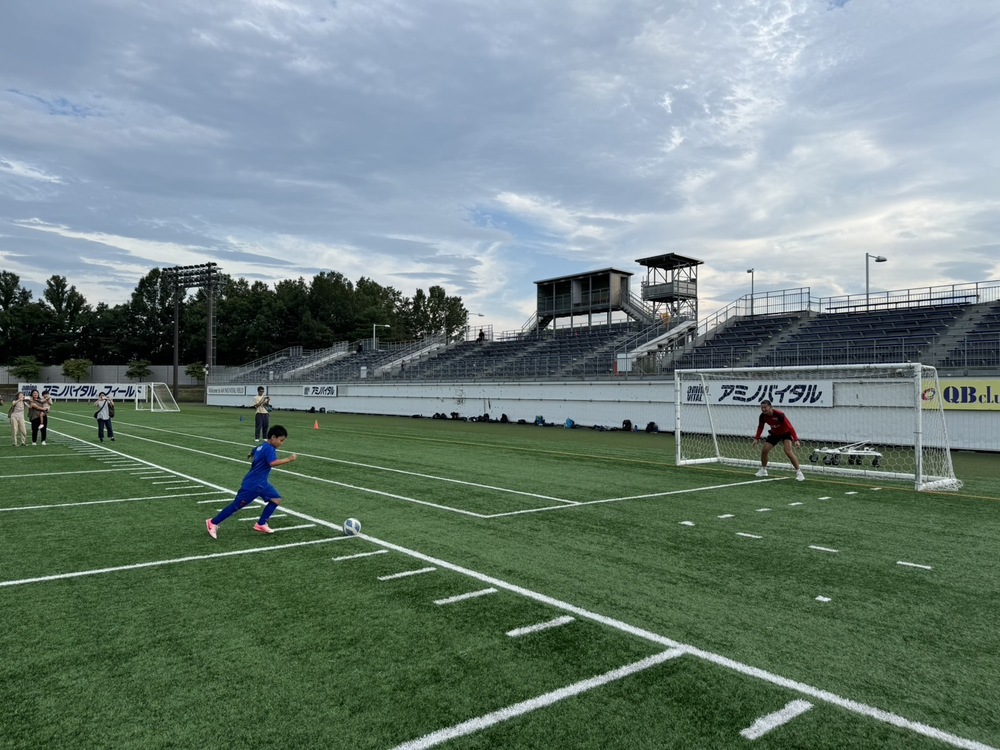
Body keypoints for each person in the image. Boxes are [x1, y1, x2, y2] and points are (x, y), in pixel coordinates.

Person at [206, 425, 297, 539]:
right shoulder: (269, 448)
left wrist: (251, 454)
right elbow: (272, 463)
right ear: (273, 437)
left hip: (262, 484)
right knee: (236, 506)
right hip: (252, 485)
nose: (281, 443)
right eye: (281, 440)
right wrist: (289, 459)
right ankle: (213, 522)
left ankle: (261, 524)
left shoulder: (262, 446)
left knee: (276, 499)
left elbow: (254, 450)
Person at [752, 399, 805, 481]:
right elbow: (760, 427)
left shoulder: (779, 415)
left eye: (765, 407)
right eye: (762, 407)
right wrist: (756, 439)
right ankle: (763, 470)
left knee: (788, 451)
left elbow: (790, 427)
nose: (763, 409)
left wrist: (796, 440)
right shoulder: (762, 416)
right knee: (764, 450)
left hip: (785, 434)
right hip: (774, 434)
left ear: (770, 407)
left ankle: (799, 473)